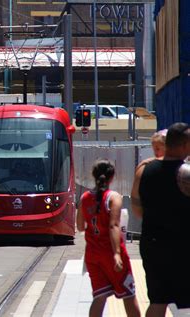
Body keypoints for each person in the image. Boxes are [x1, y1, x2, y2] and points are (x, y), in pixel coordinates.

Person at [131, 122, 190, 316]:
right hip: (182, 246)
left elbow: (137, 210)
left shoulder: (143, 170)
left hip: (153, 244)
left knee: (158, 300)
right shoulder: (186, 173)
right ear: (184, 145)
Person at [77, 159, 140, 317]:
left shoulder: (84, 198)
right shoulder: (113, 197)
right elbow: (114, 226)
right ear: (112, 177)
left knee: (99, 296)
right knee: (128, 294)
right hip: (111, 253)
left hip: (92, 254)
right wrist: (117, 253)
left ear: (93, 176)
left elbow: (79, 226)